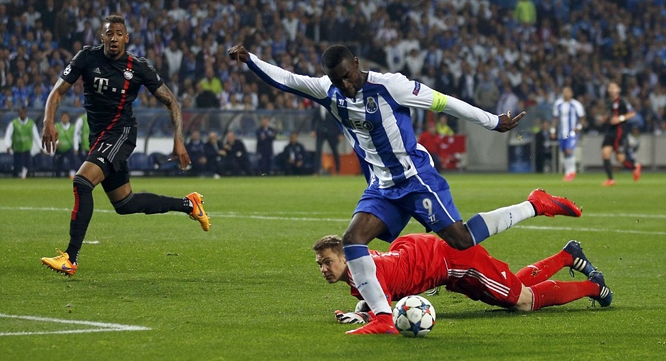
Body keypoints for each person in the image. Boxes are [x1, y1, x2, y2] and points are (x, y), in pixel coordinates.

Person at [228, 43, 581, 335]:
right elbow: (287, 80)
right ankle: (383, 319)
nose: (345, 86)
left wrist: (493, 122)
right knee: (353, 240)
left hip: (416, 180)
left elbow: (443, 101)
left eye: (348, 77)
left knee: (459, 240)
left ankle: (535, 204)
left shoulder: (390, 86)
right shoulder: (329, 91)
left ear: (357, 63)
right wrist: (251, 60)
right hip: (382, 187)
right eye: (338, 81)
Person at [40, 15, 210, 277]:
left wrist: (178, 139)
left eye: (119, 33)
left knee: (82, 183)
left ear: (126, 38)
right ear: (102, 37)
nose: (114, 38)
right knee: (125, 204)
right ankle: (189, 204)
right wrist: (48, 121)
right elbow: (57, 92)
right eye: (110, 33)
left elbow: (172, 102)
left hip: (121, 133)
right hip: (99, 137)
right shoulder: (86, 58)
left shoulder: (137, 67)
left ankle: (70, 258)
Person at [313, 233, 612, 330]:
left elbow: (382, 306)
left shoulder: (368, 272)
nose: (324, 269)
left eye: (328, 262)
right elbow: (375, 293)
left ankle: (595, 287)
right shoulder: (359, 265)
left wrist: (363, 314)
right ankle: (567, 255)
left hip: (456, 262)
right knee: (510, 294)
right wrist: (362, 308)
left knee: (522, 302)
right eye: (320, 264)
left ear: (343, 257)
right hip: (437, 260)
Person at [600, 82, 641, 186]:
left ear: (618, 89)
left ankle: (635, 167)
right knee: (605, 153)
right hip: (610, 130)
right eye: (609, 87)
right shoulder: (609, 102)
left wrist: (620, 118)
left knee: (620, 158)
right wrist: (605, 118)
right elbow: (610, 115)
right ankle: (610, 179)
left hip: (619, 131)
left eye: (613, 87)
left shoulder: (622, 101)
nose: (611, 90)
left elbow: (632, 113)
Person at [551, 86, 585, 181]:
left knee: (569, 150)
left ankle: (572, 172)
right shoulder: (558, 104)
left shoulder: (576, 104)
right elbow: (555, 118)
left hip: (572, 132)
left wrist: (578, 127)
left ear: (571, 93)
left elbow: (582, 118)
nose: (566, 94)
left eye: (568, 92)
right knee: (565, 152)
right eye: (564, 92)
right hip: (562, 132)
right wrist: (553, 130)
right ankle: (567, 172)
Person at [4, 106, 41, 179]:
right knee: (17, 165)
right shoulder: (13, 123)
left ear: (26, 113)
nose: (22, 114)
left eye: (23, 113)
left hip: (27, 147)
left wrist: (40, 147)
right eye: (21, 113)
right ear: (18, 114)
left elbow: (36, 136)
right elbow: (8, 135)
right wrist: (7, 145)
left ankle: (24, 178)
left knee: (27, 164)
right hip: (17, 148)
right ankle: (16, 179)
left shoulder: (31, 123)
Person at [312, 106, 341, 174]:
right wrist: (313, 130)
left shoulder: (332, 107)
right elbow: (314, 120)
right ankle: (317, 170)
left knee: (335, 151)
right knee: (318, 151)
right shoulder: (318, 109)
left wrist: (340, 133)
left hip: (331, 133)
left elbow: (338, 120)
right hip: (320, 132)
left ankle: (337, 169)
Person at [53, 111, 79, 178]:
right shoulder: (57, 126)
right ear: (61, 118)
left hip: (69, 148)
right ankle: (57, 175)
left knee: (73, 159)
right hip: (59, 149)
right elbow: (53, 136)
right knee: (57, 161)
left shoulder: (72, 127)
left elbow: (75, 137)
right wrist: (57, 142)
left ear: (69, 118)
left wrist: (76, 148)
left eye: (66, 117)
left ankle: (72, 174)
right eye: (63, 117)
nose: (65, 118)